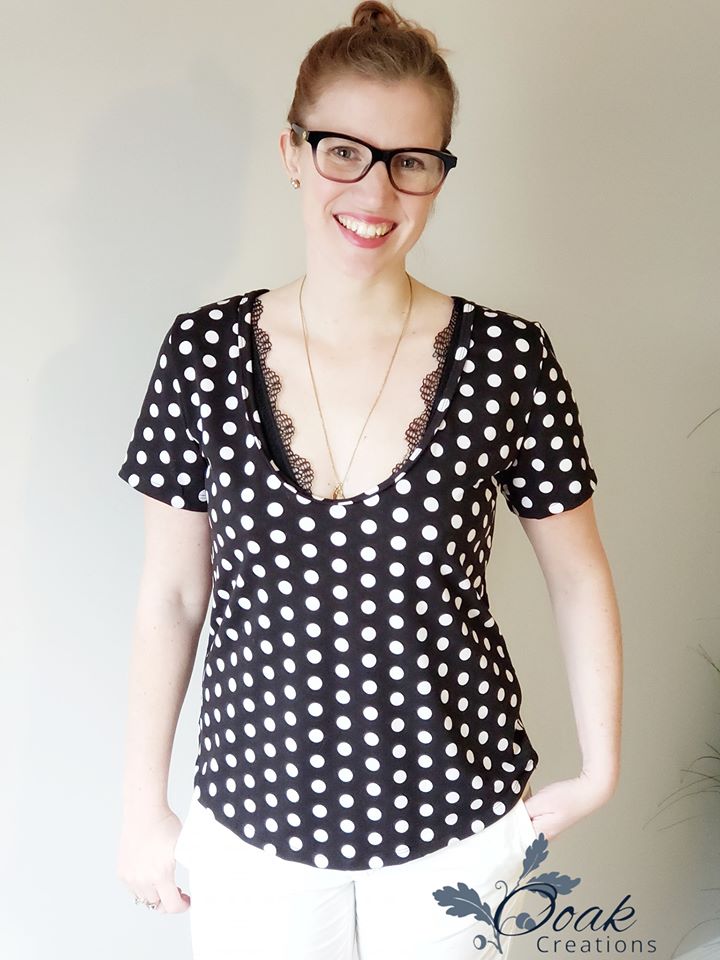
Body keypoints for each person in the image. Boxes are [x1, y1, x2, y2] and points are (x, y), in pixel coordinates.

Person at [115, 2, 622, 957]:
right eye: (344, 151)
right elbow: (173, 596)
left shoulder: (509, 358)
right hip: (252, 819)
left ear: (439, 174)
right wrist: (144, 809)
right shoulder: (202, 353)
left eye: (411, 161)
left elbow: (579, 573)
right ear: (293, 152)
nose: (376, 190)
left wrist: (600, 771)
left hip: (459, 822)